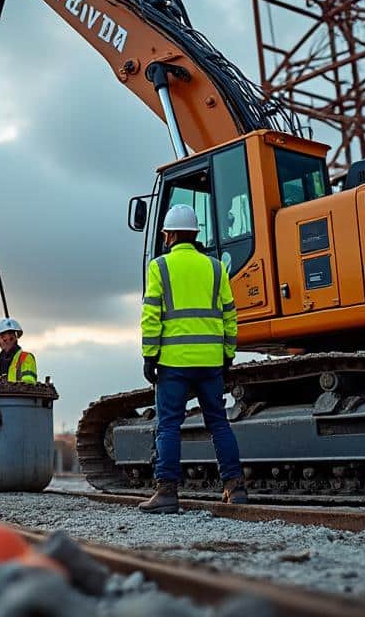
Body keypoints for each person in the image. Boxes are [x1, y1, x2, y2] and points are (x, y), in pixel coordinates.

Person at [137, 204, 246, 513]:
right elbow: (229, 315)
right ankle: (235, 487)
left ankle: (168, 493)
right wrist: (227, 353)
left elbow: (151, 316)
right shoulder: (215, 267)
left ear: (169, 235)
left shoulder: (160, 266)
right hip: (211, 361)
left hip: (174, 362)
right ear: (196, 233)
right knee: (219, 424)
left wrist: (149, 356)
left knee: (169, 425)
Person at [0, 317, 38, 384]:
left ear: (14, 338)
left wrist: (13, 388)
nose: (5, 340)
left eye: (10, 336)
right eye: (1, 337)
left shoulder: (25, 357)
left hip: (18, 394)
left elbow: (29, 383)